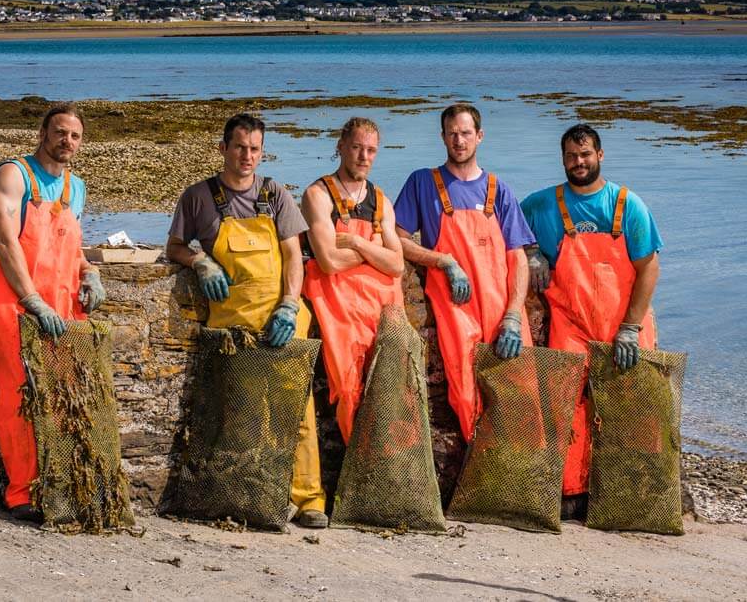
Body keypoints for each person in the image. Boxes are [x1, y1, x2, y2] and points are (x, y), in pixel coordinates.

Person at [165, 112, 328, 529]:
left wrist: (290, 304)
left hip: (281, 324)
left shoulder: (275, 195)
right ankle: (246, 495)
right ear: (223, 149)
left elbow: (294, 256)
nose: (247, 156)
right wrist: (200, 261)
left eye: (255, 149)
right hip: (233, 330)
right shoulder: (198, 198)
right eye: (239, 147)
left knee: (299, 412)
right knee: (239, 415)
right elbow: (175, 247)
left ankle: (309, 499)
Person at [0, 103, 106, 523]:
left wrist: (90, 273)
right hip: (12, 298)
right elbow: (7, 240)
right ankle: (21, 493)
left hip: (62, 302)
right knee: (19, 392)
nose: (67, 141)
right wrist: (31, 299)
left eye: (75, 136)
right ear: (42, 133)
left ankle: (59, 483)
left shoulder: (76, 187)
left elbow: (74, 244)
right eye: (60, 132)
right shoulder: (14, 175)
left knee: (64, 393)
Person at [521, 123, 662, 505]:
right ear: (563, 160)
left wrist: (630, 327)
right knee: (565, 404)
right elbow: (507, 229)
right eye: (571, 156)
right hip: (571, 324)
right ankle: (571, 493)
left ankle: (633, 493)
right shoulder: (541, 204)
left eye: (585, 155)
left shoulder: (628, 205)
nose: (578, 162)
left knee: (632, 406)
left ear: (600, 156)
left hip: (624, 323)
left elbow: (649, 268)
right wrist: (531, 252)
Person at [394, 103, 534, 442]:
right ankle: (482, 468)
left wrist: (514, 314)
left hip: (500, 306)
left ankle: (523, 471)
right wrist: (444, 261)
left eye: (466, 133)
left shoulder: (499, 190)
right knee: (466, 391)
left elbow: (518, 257)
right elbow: (397, 240)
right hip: (455, 309)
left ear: (480, 136)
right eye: (453, 133)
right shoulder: (423, 183)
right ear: (442, 137)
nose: (459, 141)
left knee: (522, 389)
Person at [301, 117, 405, 443]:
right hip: (339, 307)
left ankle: (385, 467)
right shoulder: (317, 195)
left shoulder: (381, 201)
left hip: (382, 308)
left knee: (389, 390)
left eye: (371, 150)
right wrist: (376, 251)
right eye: (357, 147)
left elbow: (398, 264)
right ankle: (360, 466)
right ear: (341, 146)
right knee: (349, 389)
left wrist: (359, 244)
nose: (364, 156)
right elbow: (329, 261)